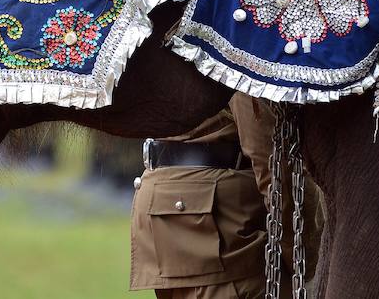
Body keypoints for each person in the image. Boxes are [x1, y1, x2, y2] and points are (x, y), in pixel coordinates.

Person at [130, 92, 323, 299]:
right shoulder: (245, 60)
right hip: (216, 221)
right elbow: (272, 157)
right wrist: (310, 257)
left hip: (170, 204)